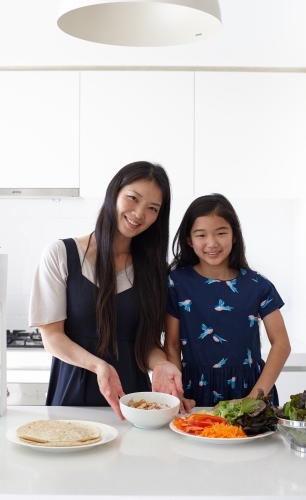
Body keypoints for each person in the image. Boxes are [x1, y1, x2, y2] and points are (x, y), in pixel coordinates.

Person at [29, 161, 185, 419]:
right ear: (114, 193)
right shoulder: (61, 254)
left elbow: (145, 343)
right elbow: (52, 337)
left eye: (152, 208)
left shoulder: (156, 270)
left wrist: (162, 364)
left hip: (134, 403)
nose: (139, 213)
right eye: (133, 198)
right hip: (72, 394)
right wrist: (99, 366)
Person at [165, 193, 291, 407]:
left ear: (234, 235)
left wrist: (253, 399)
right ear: (189, 240)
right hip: (193, 392)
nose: (212, 243)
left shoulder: (258, 285)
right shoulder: (177, 282)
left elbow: (282, 344)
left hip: (250, 391)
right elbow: (172, 344)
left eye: (221, 233)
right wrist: (176, 396)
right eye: (201, 235)